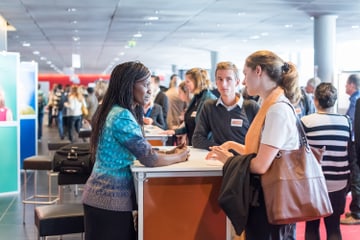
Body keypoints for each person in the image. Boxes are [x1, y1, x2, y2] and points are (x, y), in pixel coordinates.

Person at [82, 61, 189, 240]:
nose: (149, 90)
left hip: (104, 199)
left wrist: (169, 153)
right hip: (108, 200)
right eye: (145, 85)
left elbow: (143, 150)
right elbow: (150, 158)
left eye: (150, 85)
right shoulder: (121, 116)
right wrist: (180, 156)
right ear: (128, 85)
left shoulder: (115, 111)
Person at [207, 50, 301, 239]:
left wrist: (230, 160)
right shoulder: (269, 104)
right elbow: (262, 151)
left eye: (244, 73)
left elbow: (260, 164)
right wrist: (234, 145)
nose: (242, 81)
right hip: (268, 200)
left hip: (272, 203)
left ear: (258, 71)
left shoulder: (277, 110)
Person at [301, 82, 351, 239]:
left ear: (315, 100)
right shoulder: (346, 121)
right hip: (339, 181)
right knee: (334, 226)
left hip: (312, 182)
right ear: (334, 101)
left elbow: (300, 152)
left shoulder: (305, 122)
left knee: (311, 226)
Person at [192, 61, 259, 150]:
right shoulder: (209, 106)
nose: (223, 84)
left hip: (243, 160)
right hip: (217, 161)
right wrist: (222, 150)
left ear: (237, 82)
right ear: (216, 82)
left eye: (228, 79)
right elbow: (197, 139)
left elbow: (260, 141)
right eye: (220, 79)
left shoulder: (251, 107)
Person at [164, 68, 217, 146]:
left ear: (197, 82)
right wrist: (175, 131)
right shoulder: (196, 98)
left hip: (205, 147)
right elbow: (190, 124)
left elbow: (209, 129)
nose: (185, 84)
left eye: (188, 81)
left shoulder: (209, 100)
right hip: (194, 145)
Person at [341, 73, 360, 225]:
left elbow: (352, 124)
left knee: (356, 178)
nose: (346, 87)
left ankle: (356, 213)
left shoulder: (356, 101)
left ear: (352, 85)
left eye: (347, 84)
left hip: (356, 144)